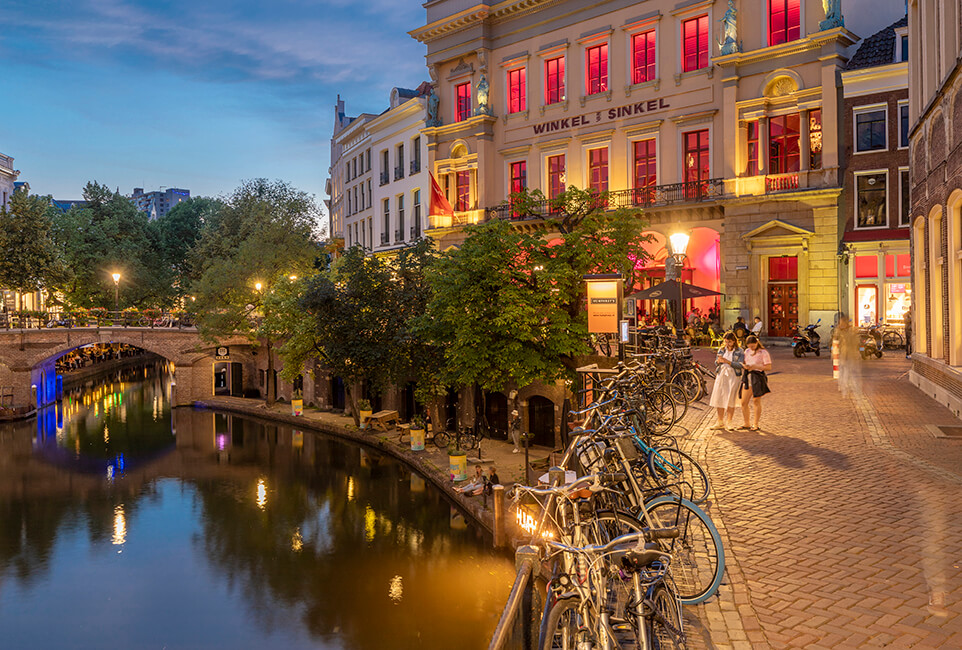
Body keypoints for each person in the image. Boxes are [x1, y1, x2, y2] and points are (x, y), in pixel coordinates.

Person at [709, 332, 743, 430]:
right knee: (719, 396)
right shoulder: (722, 350)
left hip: (733, 375)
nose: (728, 344)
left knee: (730, 398)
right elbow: (716, 362)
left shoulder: (739, 351)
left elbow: (740, 365)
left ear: (734, 341)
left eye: (730, 342)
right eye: (726, 342)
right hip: (722, 374)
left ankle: (729, 422)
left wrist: (728, 362)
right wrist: (718, 361)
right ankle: (720, 421)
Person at [739, 335, 772, 431]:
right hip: (748, 376)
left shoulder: (763, 352)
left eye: (753, 346)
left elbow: (768, 367)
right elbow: (745, 361)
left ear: (757, 343)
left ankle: (756, 424)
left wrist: (756, 366)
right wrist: (745, 366)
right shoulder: (747, 351)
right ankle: (746, 423)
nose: (751, 348)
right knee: (743, 402)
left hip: (758, 376)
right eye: (749, 346)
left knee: (756, 400)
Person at [834, 314, 861, 397]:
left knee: (848, 370)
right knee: (844, 370)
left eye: (843, 322)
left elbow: (856, 342)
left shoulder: (851, 330)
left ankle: (845, 386)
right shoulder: (838, 331)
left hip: (850, 354)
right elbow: (834, 341)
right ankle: (843, 386)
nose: (841, 324)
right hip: (843, 354)